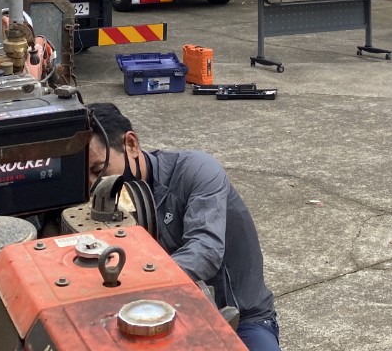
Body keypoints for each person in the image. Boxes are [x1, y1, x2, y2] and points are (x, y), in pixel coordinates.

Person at [85, 102, 281, 351]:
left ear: (131, 145)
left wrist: (138, 285)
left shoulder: (197, 172)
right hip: (161, 313)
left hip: (241, 318)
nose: (93, 186)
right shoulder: (104, 198)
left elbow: (205, 251)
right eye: (85, 175)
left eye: (97, 169)